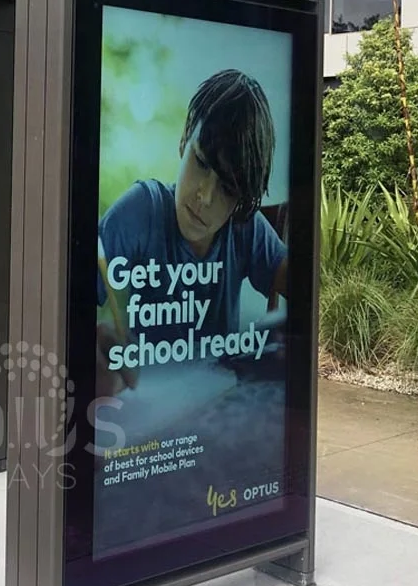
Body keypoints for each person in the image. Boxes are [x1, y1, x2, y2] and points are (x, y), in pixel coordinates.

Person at [96, 69, 288, 396]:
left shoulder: (245, 228)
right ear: (185, 140)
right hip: (144, 411)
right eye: (200, 162)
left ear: (241, 200)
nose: (205, 196)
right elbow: (68, 309)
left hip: (215, 406)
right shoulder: (138, 212)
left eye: (227, 188)